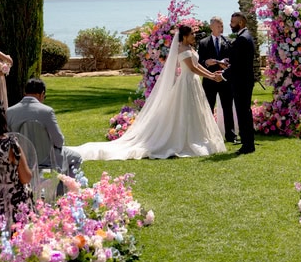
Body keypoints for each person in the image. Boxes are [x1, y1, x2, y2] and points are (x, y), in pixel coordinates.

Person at [77, 25, 226, 160]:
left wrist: (211, 75)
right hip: (186, 82)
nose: (194, 35)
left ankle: (195, 137)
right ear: (185, 36)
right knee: (184, 111)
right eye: (192, 33)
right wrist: (212, 77)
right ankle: (183, 139)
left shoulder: (191, 48)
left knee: (195, 111)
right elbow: (192, 68)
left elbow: (198, 65)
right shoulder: (182, 48)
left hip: (194, 82)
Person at [7, 78, 83, 176]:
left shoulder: (10, 112)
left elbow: (7, 139)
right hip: (46, 157)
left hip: (21, 158)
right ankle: (62, 190)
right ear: (42, 94)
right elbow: (59, 141)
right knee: (76, 158)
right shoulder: (47, 111)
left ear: (25, 93)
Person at [197, 16, 237, 142]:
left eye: (222, 26)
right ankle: (208, 135)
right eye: (218, 26)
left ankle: (231, 135)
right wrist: (207, 63)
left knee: (227, 107)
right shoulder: (203, 43)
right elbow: (199, 62)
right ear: (211, 27)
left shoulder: (228, 41)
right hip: (210, 80)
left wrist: (225, 63)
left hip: (225, 79)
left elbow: (233, 61)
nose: (221, 28)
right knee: (208, 107)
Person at [223, 12, 256, 154]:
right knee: (244, 112)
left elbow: (239, 65)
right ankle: (247, 143)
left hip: (242, 82)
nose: (230, 25)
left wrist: (223, 75)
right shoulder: (244, 37)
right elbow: (238, 60)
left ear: (241, 23)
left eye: (232, 22)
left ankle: (248, 144)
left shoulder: (242, 39)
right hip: (243, 80)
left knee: (243, 113)